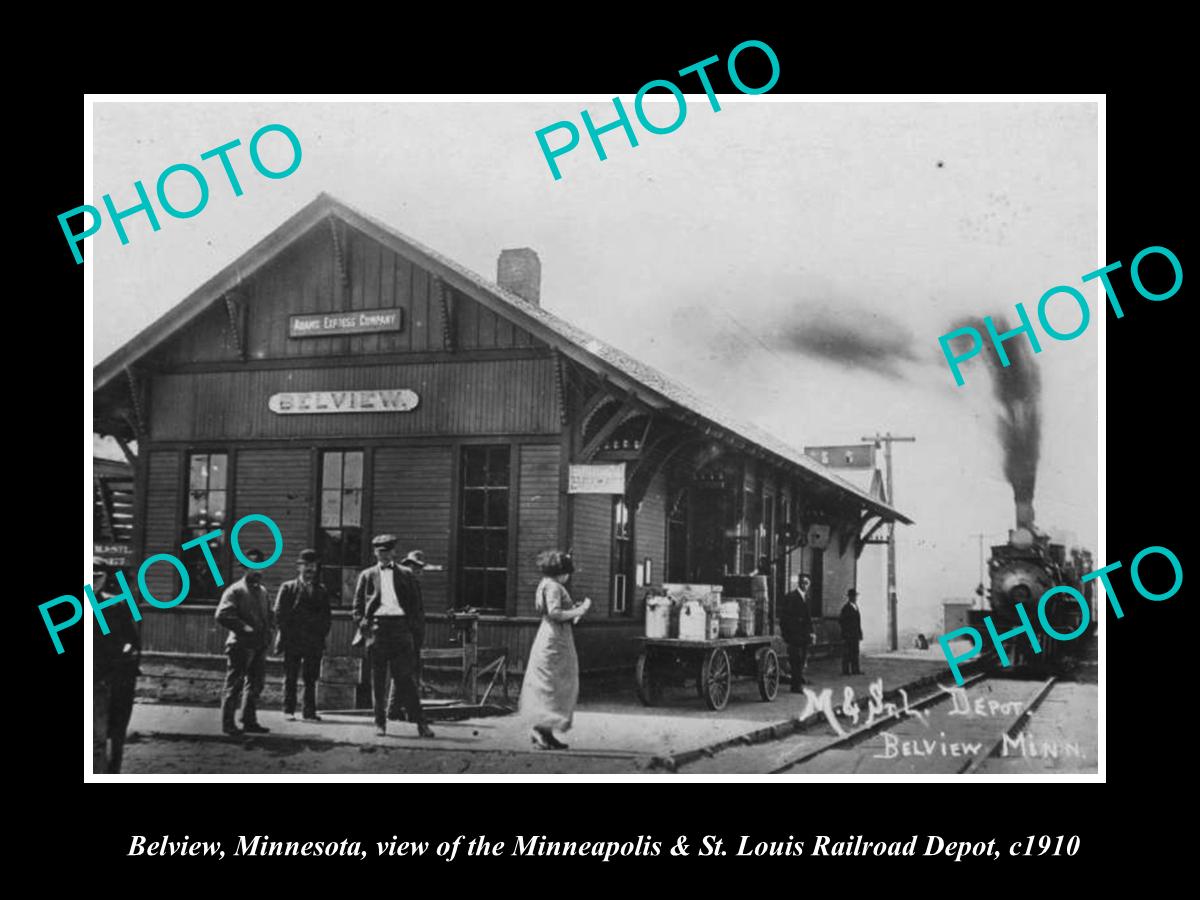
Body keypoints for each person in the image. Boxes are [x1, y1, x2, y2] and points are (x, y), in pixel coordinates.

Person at [354, 535, 434, 738]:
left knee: (406, 679)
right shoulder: (367, 575)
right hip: (377, 631)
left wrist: (411, 633)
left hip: (400, 630)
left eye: (388, 551)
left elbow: (416, 607)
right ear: (375, 553)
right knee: (378, 681)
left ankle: (421, 724)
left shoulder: (406, 574)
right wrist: (364, 624)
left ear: (394, 553)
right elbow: (357, 608)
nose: (384, 555)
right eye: (380, 551)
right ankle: (380, 723)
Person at [519, 550, 591, 750]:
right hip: (555, 637)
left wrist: (573, 612)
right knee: (554, 682)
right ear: (561, 572)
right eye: (567, 572)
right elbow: (555, 613)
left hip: (551, 634)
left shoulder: (545, 584)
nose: (568, 576)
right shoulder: (553, 586)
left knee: (551, 683)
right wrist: (580, 610)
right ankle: (541, 730)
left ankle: (546, 732)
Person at [215, 548, 274, 736]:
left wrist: (270, 629)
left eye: (260, 566)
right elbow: (222, 615)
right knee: (235, 685)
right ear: (245, 568)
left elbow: (269, 615)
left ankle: (249, 721)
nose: (257, 570)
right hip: (240, 645)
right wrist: (244, 627)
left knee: (255, 684)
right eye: (252, 566)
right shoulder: (235, 590)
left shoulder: (263, 592)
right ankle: (228, 724)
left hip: (259, 645)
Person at [91, 557, 141, 773]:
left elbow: (132, 639)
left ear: (105, 578)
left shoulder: (116, 604)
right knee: (96, 738)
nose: (94, 581)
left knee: (116, 735)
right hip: (93, 681)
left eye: (98, 576)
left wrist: (128, 649)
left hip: (117, 680)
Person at [274, 548, 333, 722]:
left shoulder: (321, 590)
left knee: (311, 678)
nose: (310, 569)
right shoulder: (288, 587)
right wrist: (285, 634)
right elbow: (279, 613)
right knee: (290, 676)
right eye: (306, 565)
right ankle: (288, 710)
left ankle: (309, 712)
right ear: (299, 567)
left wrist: (321, 635)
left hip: (313, 641)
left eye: (313, 565)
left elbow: (326, 617)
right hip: (292, 640)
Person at [388, 550, 429, 722]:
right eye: (415, 567)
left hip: (413, 637)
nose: (418, 571)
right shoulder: (401, 585)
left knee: (406, 674)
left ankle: (395, 711)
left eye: (420, 568)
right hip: (403, 636)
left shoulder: (414, 585)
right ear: (407, 566)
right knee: (405, 674)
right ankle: (404, 712)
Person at [779, 573, 815, 692]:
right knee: (796, 661)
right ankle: (796, 686)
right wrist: (787, 635)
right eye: (803, 582)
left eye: (807, 583)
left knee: (802, 660)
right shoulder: (791, 597)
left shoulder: (807, 599)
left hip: (804, 636)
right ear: (799, 583)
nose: (805, 585)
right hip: (794, 635)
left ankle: (797, 683)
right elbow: (785, 618)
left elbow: (808, 619)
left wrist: (812, 633)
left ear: (809, 585)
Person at [839, 588, 863, 676]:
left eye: (856, 596)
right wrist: (846, 632)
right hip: (848, 635)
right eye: (853, 596)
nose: (855, 598)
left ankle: (855, 669)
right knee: (847, 653)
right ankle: (845, 670)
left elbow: (858, 622)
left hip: (855, 634)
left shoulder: (855, 607)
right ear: (849, 597)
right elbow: (842, 621)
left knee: (855, 652)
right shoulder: (846, 608)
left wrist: (859, 633)